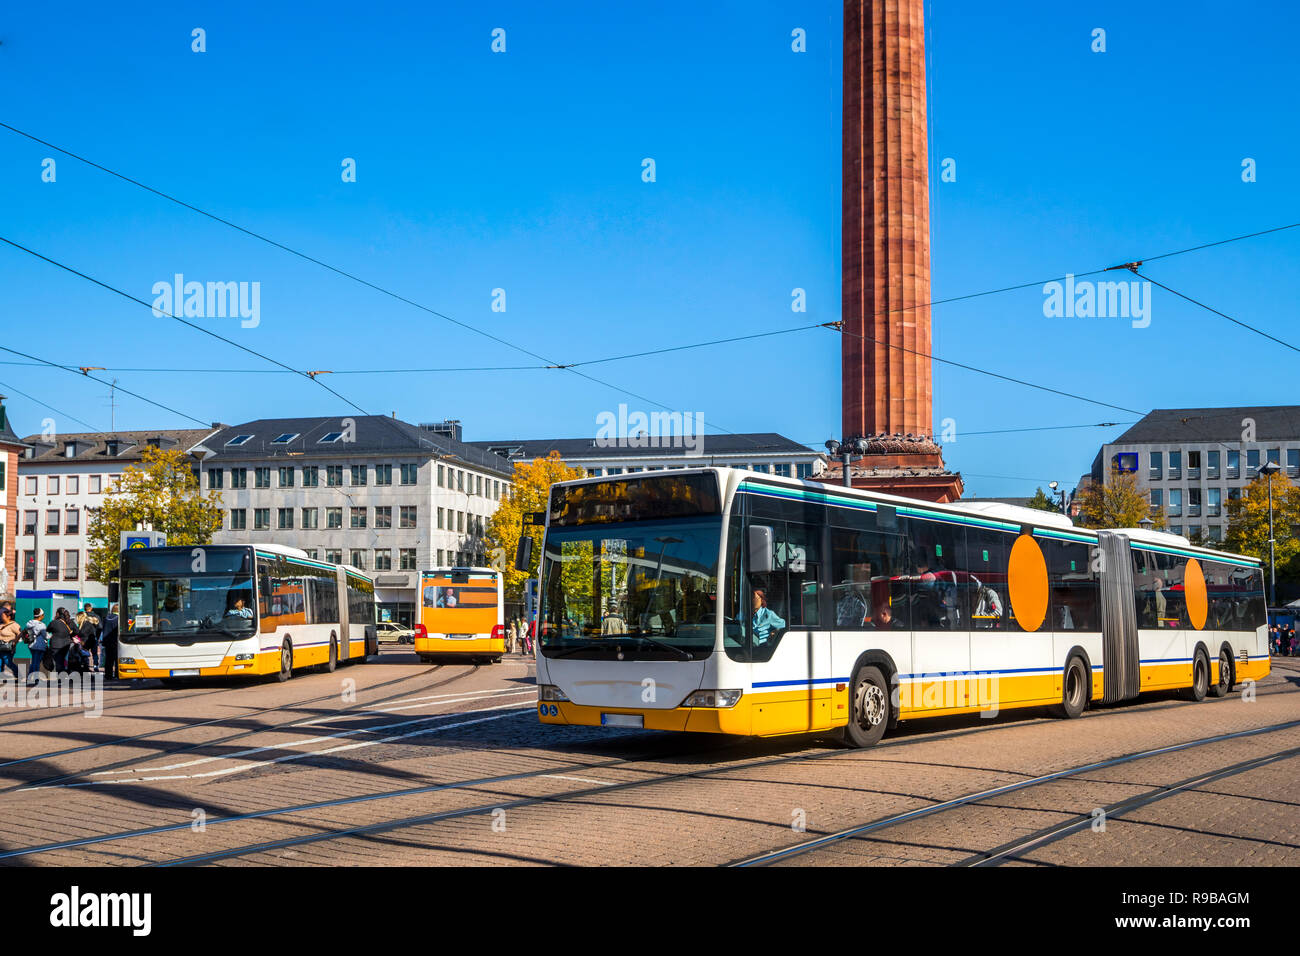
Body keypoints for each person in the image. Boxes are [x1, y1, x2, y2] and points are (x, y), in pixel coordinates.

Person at [24, 607, 49, 684]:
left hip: (31, 645)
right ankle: (35, 679)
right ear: (40, 615)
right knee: (36, 662)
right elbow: (46, 636)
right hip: (39, 645)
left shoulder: (29, 623)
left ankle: (29, 677)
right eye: (43, 615)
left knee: (34, 661)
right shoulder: (41, 625)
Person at [47, 608, 76, 673]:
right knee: (63, 660)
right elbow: (77, 631)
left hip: (56, 645)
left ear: (58, 614)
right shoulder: (70, 622)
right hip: (66, 644)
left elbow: (48, 629)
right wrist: (70, 637)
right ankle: (64, 675)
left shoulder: (54, 622)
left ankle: (61, 677)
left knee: (58, 661)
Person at [0, 607, 21, 681]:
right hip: (0, 647)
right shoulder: (1, 625)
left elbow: (19, 634)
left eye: (3, 616)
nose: (1, 617)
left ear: (8, 617)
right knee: (0, 663)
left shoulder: (14, 625)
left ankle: (18, 674)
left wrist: (14, 642)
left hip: (8, 647)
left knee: (8, 662)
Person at [80, 604, 102, 671]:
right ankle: (95, 666)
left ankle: (85, 666)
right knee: (94, 654)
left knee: (84, 653)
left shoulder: (82, 616)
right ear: (91, 608)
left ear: (84, 608)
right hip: (93, 637)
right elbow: (100, 627)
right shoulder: (96, 616)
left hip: (84, 638)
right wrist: (97, 636)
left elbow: (79, 627)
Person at [101, 604, 120, 679]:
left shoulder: (106, 618)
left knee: (108, 659)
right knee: (117, 659)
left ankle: (108, 674)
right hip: (115, 641)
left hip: (107, 641)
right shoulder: (118, 618)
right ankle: (117, 674)